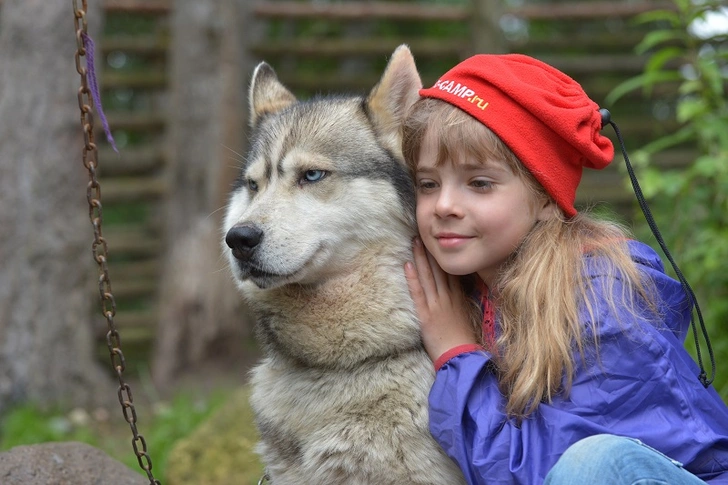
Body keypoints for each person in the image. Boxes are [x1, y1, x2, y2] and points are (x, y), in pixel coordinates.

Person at [401, 53, 728, 484]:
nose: (443, 205)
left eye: (479, 183)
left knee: (591, 462)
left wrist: (455, 352)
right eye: (428, 184)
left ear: (544, 197)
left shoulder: (600, 298)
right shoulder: (467, 288)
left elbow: (535, 474)